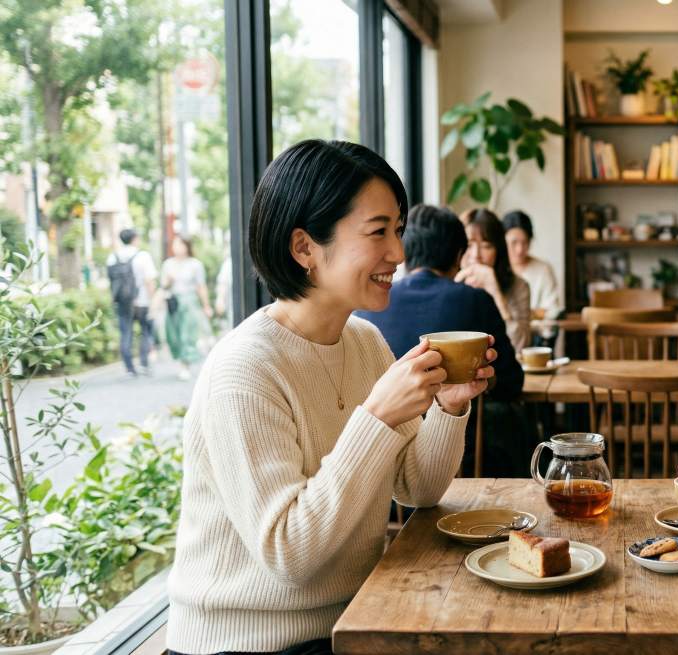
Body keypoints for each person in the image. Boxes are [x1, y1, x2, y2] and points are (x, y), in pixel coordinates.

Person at [166, 140, 493, 655]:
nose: (398, 253)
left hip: (351, 623)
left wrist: (449, 407)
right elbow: (290, 555)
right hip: (248, 643)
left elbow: (418, 488)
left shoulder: (364, 341)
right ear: (304, 248)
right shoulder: (244, 369)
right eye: (378, 231)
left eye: (399, 230)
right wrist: (377, 417)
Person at [358, 204, 525, 476]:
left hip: (380, 460)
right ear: (459, 255)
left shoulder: (368, 307)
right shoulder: (475, 300)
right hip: (461, 460)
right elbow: (513, 381)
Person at [458, 208, 532, 352]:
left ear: (498, 251)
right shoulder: (447, 282)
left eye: (486, 246)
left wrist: (496, 293)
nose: (476, 255)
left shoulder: (519, 286)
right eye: (469, 245)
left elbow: (520, 345)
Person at [106, 228, 157, 377]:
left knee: (125, 333)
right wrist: (153, 299)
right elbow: (149, 280)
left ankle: (129, 368)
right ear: (135, 238)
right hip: (142, 301)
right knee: (145, 331)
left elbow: (111, 281)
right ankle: (143, 364)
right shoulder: (143, 256)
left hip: (122, 301)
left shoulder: (113, 257)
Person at [160, 235, 212, 380]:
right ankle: (181, 360)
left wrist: (206, 306)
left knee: (187, 334)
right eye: (175, 244)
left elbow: (201, 286)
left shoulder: (195, 264)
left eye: (180, 244)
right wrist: (168, 281)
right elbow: (163, 286)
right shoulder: (168, 264)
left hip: (189, 302)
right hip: (173, 303)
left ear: (187, 246)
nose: (176, 247)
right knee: (173, 334)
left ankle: (185, 365)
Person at [503, 210, 562, 322]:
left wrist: (517, 314)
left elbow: (553, 310)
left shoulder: (543, 270)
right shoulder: (496, 269)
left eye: (525, 242)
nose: (520, 250)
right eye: (514, 242)